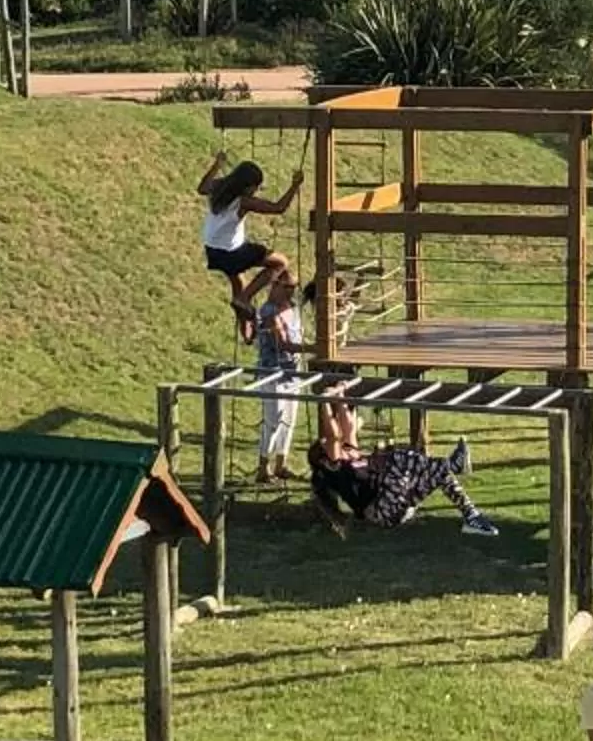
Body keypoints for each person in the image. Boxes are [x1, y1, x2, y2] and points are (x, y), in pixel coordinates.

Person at [307, 428, 501, 539]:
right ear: (325, 461)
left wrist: (339, 394)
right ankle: (453, 464)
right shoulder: (338, 471)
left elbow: (346, 427)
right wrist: (325, 401)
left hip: (395, 504)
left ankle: (472, 517)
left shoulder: (351, 457)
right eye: (334, 448)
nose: (343, 448)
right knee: (399, 458)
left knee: (439, 473)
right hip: (384, 511)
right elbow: (333, 436)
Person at [198, 149, 303, 340]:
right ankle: (244, 299)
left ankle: (245, 329)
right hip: (232, 251)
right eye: (255, 187)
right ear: (246, 187)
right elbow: (278, 208)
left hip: (213, 249)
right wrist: (295, 186)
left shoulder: (218, 188)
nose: (256, 191)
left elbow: (201, 187)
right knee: (280, 263)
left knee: (238, 281)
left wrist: (217, 165)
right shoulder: (243, 201)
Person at [252, 258, 306, 483]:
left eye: (294, 287)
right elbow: (283, 342)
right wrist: (313, 348)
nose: (291, 292)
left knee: (289, 419)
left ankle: (281, 463)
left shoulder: (292, 309)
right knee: (273, 420)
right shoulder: (269, 312)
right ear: (275, 287)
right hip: (273, 371)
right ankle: (263, 466)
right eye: (287, 287)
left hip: (293, 372)